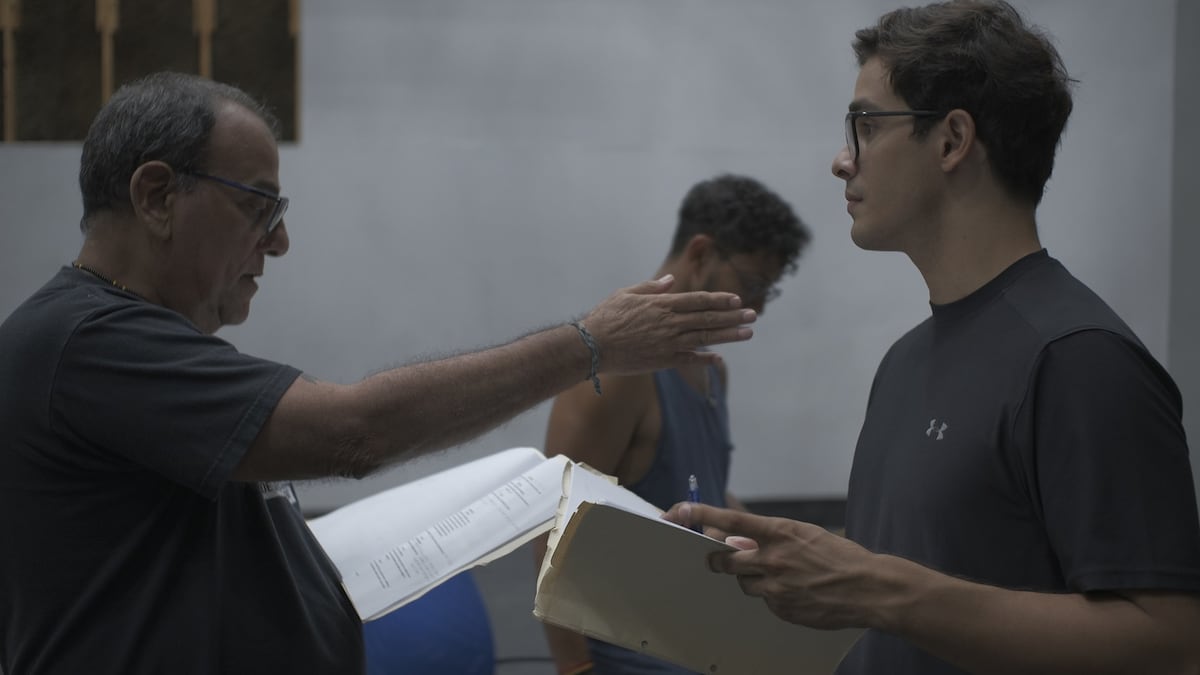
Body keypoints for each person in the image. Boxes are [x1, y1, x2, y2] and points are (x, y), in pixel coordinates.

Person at [0, 72, 759, 675]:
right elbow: (353, 431)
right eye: (259, 206)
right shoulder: (87, 341)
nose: (280, 241)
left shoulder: (123, 341)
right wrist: (588, 343)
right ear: (156, 195)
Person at [666, 2, 1200, 673]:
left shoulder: (1079, 359)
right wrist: (790, 569)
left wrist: (877, 588)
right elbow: (926, 584)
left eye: (865, 125)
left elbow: (1171, 643)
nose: (842, 160)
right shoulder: (904, 362)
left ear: (951, 140)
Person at [534, 174, 811, 675]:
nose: (761, 305)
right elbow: (549, 525)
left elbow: (695, 492)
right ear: (701, 253)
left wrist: (777, 538)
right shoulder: (618, 374)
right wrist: (575, 668)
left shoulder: (711, 372)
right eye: (752, 285)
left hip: (699, 648)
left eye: (769, 290)